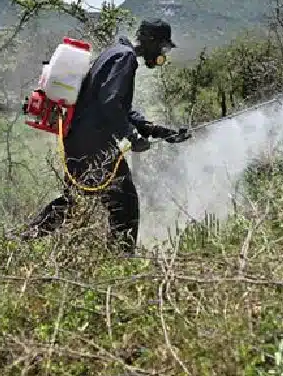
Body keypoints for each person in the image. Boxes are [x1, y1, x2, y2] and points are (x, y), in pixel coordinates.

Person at [19, 18, 192, 253]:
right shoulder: (125, 58)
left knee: (73, 202)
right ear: (150, 41)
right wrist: (132, 137)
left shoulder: (116, 53)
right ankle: (123, 259)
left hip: (80, 140)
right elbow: (110, 104)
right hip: (93, 143)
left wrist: (156, 130)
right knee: (125, 201)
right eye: (162, 47)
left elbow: (119, 107)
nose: (162, 54)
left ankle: (21, 239)